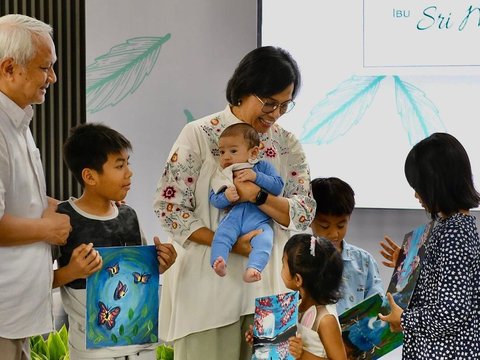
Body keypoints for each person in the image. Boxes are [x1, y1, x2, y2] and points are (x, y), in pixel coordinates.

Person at [154, 46, 315, 359]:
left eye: (285, 105)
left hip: (270, 291)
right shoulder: (199, 134)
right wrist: (227, 243)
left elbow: (304, 212)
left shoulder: (286, 144)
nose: (276, 114)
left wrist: (258, 196)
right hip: (208, 293)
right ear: (243, 90)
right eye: (269, 103)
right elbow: (169, 208)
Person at [53, 123, 177, 360]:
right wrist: (71, 272)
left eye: (127, 164)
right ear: (89, 176)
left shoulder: (128, 215)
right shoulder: (63, 219)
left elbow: (140, 275)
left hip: (142, 347)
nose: (129, 173)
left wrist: (159, 264)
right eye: (119, 166)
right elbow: (39, 283)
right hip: (92, 352)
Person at [0, 14, 72, 359]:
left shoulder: (17, 118)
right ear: (9, 68)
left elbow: (17, 197)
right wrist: (47, 228)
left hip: (16, 315)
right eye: (45, 68)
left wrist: (64, 209)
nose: (53, 78)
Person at [379, 132, 480, 359]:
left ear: (437, 185)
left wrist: (403, 319)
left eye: (419, 187)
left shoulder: (456, 235)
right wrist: (409, 265)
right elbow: (442, 285)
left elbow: (451, 312)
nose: (416, 194)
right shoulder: (447, 226)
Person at [245, 234, 347, 359]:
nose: (281, 269)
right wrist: (261, 341)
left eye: (283, 264)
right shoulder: (294, 305)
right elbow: (281, 349)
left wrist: (302, 355)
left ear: (298, 279)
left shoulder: (325, 319)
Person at [210, 122, 284, 282]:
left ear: (254, 152)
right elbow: (213, 198)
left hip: (260, 221)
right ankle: (219, 262)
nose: (226, 157)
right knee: (221, 236)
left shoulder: (261, 167)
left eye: (233, 151)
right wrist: (226, 198)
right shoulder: (223, 174)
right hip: (234, 218)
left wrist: (256, 177)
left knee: (265, 239)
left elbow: (278, 186)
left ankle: (253, 268)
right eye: (221, 152)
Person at [310, 177, 383, 315]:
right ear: (309, 219)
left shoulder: (364, 261)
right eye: (324, 226)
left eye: (341, 225)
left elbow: (377, 306)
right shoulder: (300, 258)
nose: (333, 234)